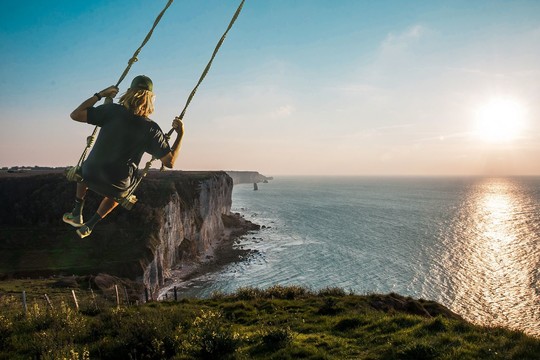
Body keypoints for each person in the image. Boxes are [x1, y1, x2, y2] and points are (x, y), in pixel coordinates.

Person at [63, 75, 184, 238]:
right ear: (151, 100)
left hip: (89, 175)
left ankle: (77, 211)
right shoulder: (152, 129)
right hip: (116, 184)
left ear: (129, 93)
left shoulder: (111, 111)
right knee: (125, 190)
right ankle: (90, 224)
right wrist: (180, 134)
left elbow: (76, 115)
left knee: (85, 166)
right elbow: (169, 162)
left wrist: (99, 95)